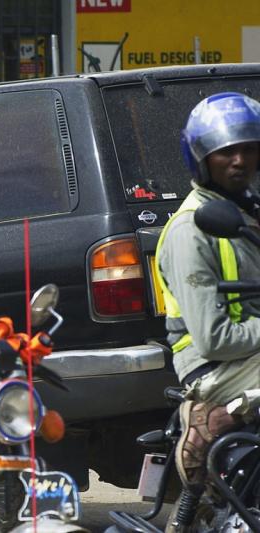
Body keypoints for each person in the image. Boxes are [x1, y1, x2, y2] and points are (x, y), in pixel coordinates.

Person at [155, 92, 260, 532]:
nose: (239, 160)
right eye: (225, 152)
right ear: (201, 159)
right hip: (212, 367)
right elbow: (212, 337)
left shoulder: (245, 212)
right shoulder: (190, 231)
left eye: (249, 148)